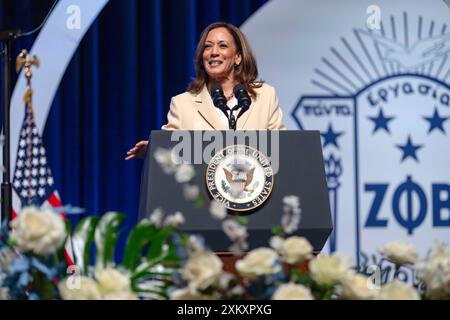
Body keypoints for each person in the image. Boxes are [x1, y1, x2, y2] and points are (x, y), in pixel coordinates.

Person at [125, 22, 286, 160]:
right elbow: (169, 146)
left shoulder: (265, 96)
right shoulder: (182, 104)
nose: (213, 52)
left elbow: (284, 146)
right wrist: (154, 149)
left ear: (237, 57)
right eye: (208, 46)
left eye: (222, 45)